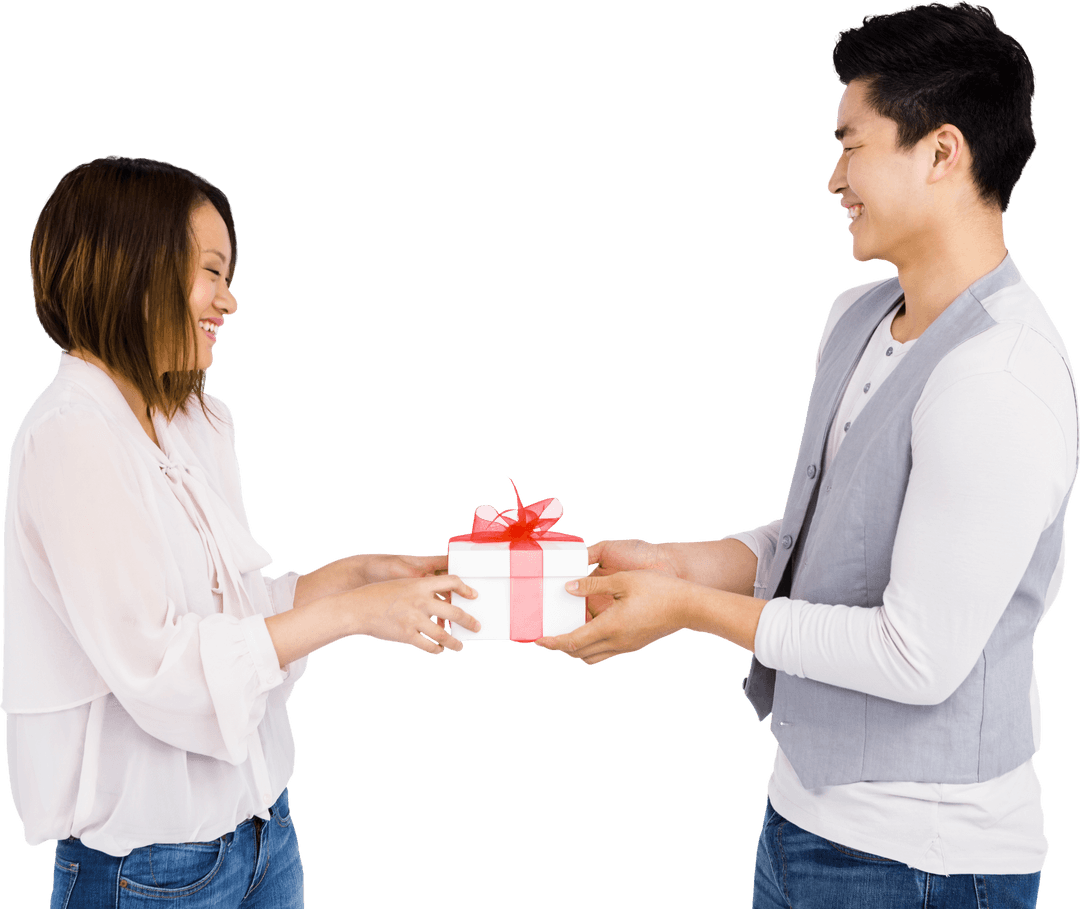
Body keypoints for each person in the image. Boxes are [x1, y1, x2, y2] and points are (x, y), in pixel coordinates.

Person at [535, 3, 1076, 906]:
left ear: (943, 153)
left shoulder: (1000, 376)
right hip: (802, 825)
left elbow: (917, 655)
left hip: (926, 860)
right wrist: (678, 561)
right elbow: (824, 538)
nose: (834, 178)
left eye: (852, 145)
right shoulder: (857, 317)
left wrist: (687, 608)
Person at [1, 155, 481, 908]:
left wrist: (356, 578)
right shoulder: (71, 437)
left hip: (265, 834)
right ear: (135, 264)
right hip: (151, 873)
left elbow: (235, 623)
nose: (230, 299)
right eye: (211, 272)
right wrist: (348, 616)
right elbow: (159, 667)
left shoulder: (191, 420)